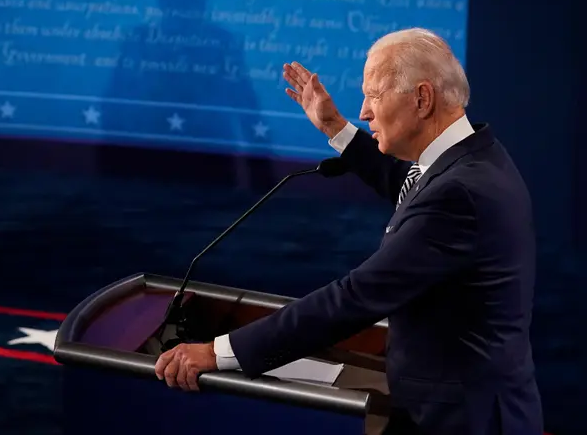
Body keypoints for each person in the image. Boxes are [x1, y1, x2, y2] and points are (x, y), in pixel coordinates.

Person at [154, 28, 543, 434]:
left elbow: (356, 297)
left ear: (422, 99)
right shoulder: (471, 159)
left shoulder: (457, 195)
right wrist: (335, 128)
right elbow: (409, 187)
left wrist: (220, 353)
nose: (363, 111)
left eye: (374, 95)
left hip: (464, 420)